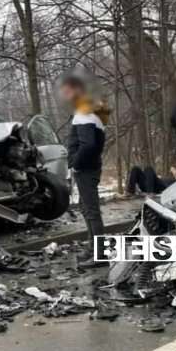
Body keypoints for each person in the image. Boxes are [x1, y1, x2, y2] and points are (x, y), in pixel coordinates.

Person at [60, 73, 108, 268]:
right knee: (87, 209)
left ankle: (99, 255)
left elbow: (88, 145)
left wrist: (76, 163)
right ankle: (93, 249)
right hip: (90, 167)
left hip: (86, 169)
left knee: (91, 211)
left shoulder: (84, 114)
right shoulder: (92, 112)